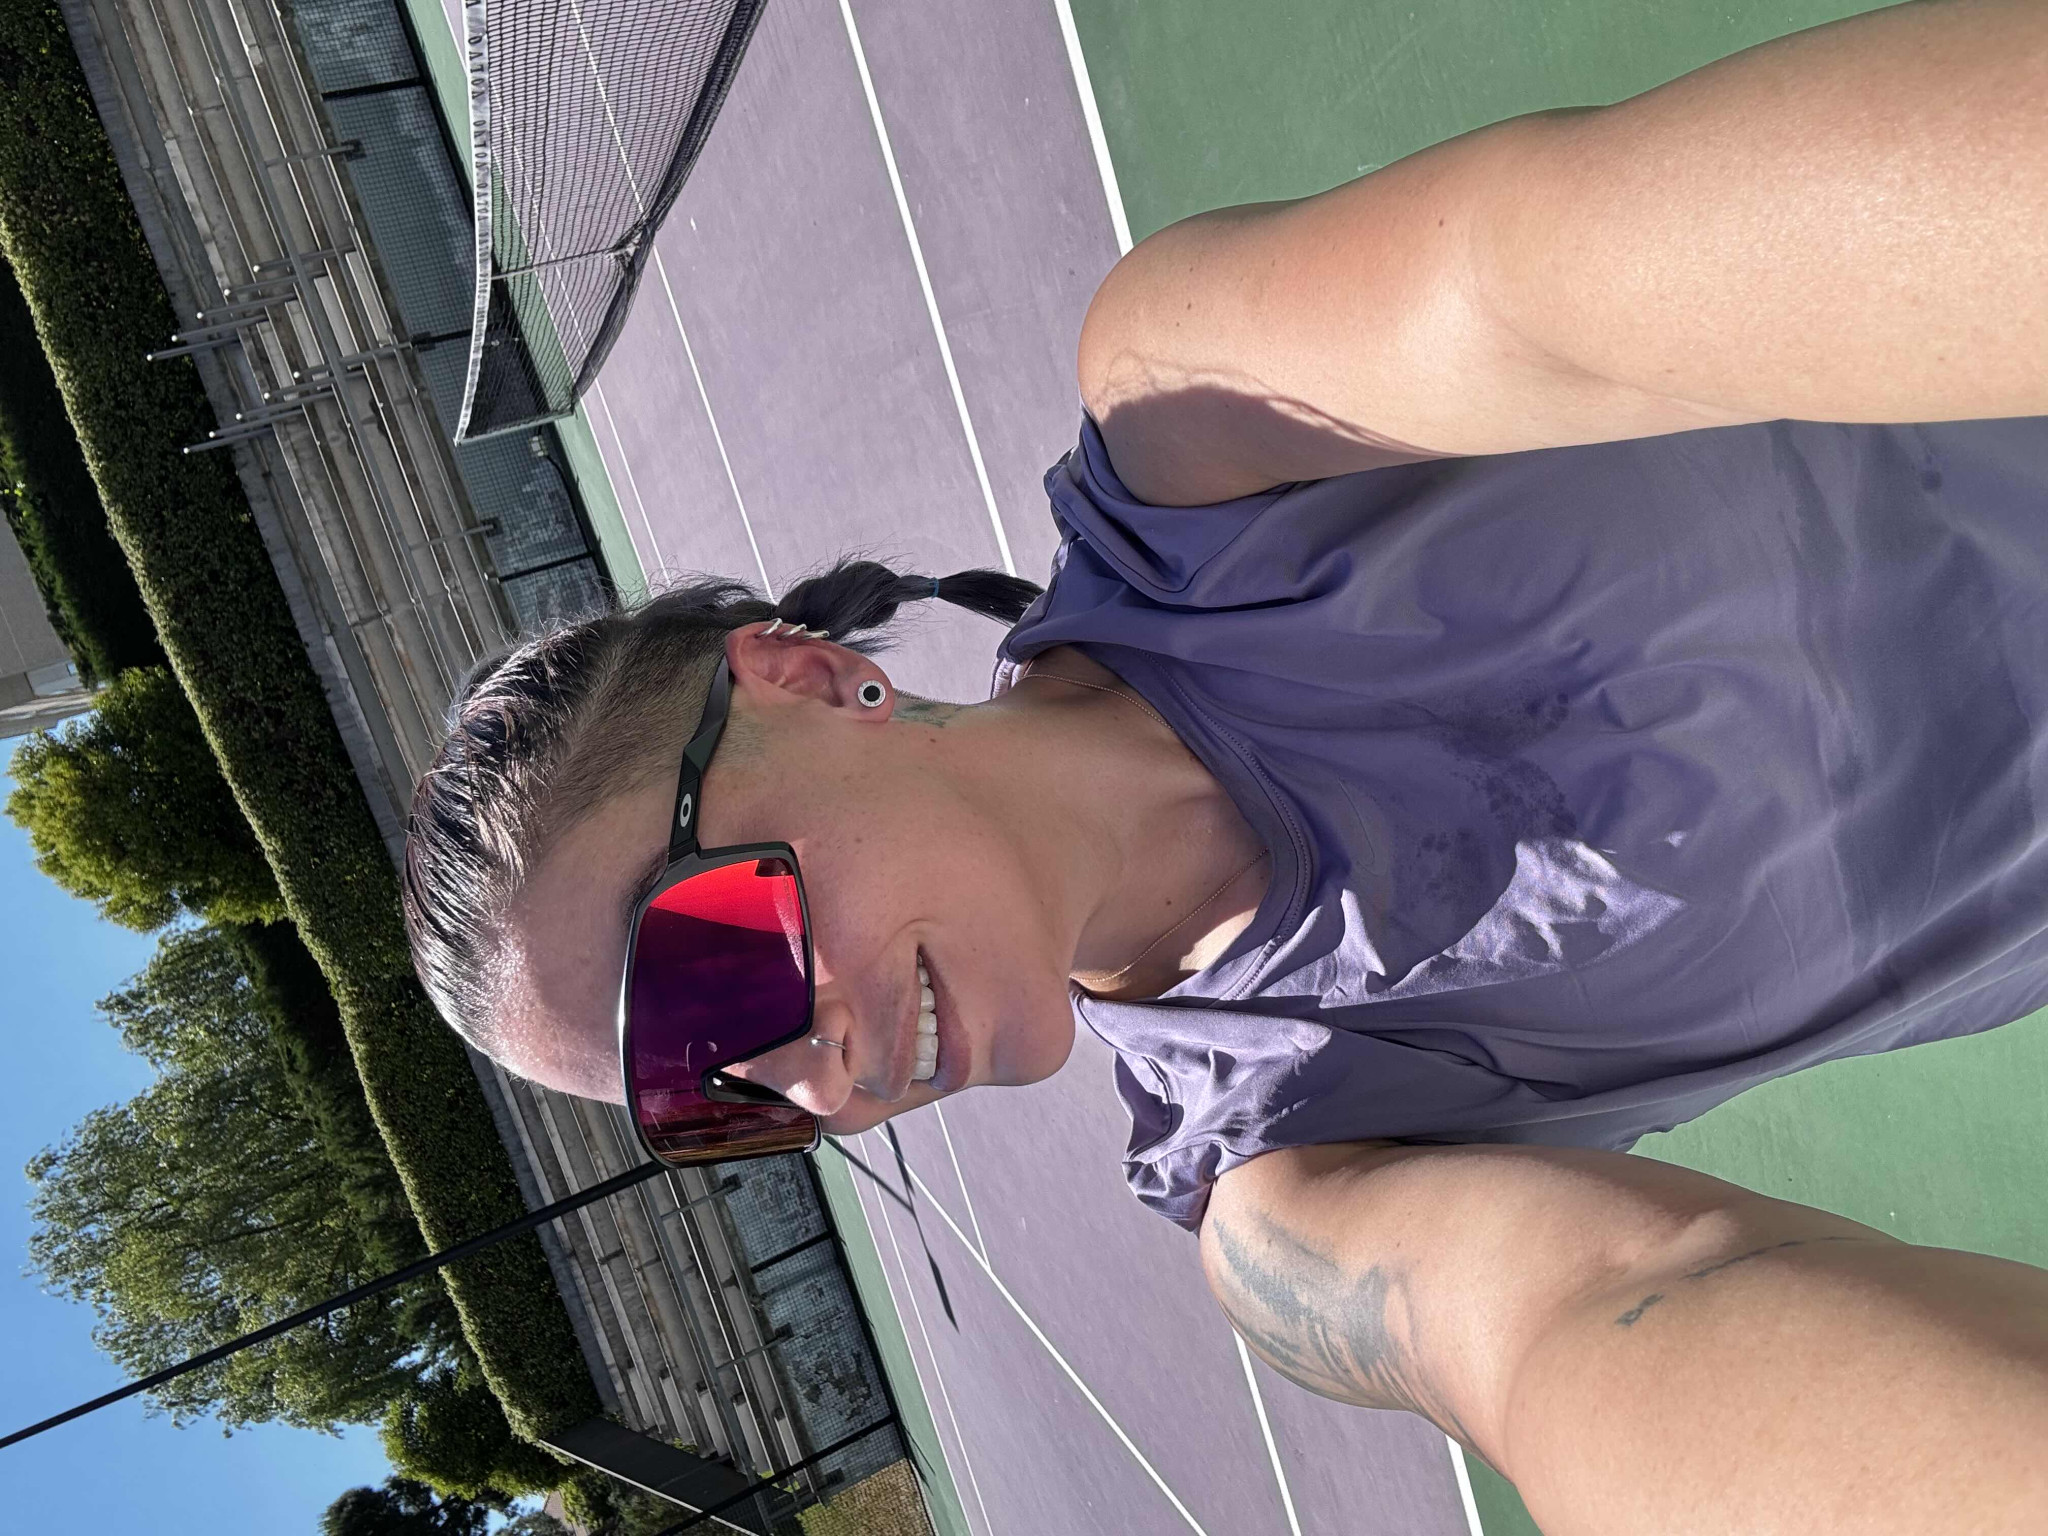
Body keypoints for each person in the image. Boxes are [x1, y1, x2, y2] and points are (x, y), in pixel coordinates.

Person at [402, 1, 2048, 1530]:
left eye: (707, 972)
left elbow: (1570, 272)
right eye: (712, 1097)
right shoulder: (1290, 1189)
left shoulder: (1200, 433)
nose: (812, 1081)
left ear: (809, 681)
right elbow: (1601, 1331)